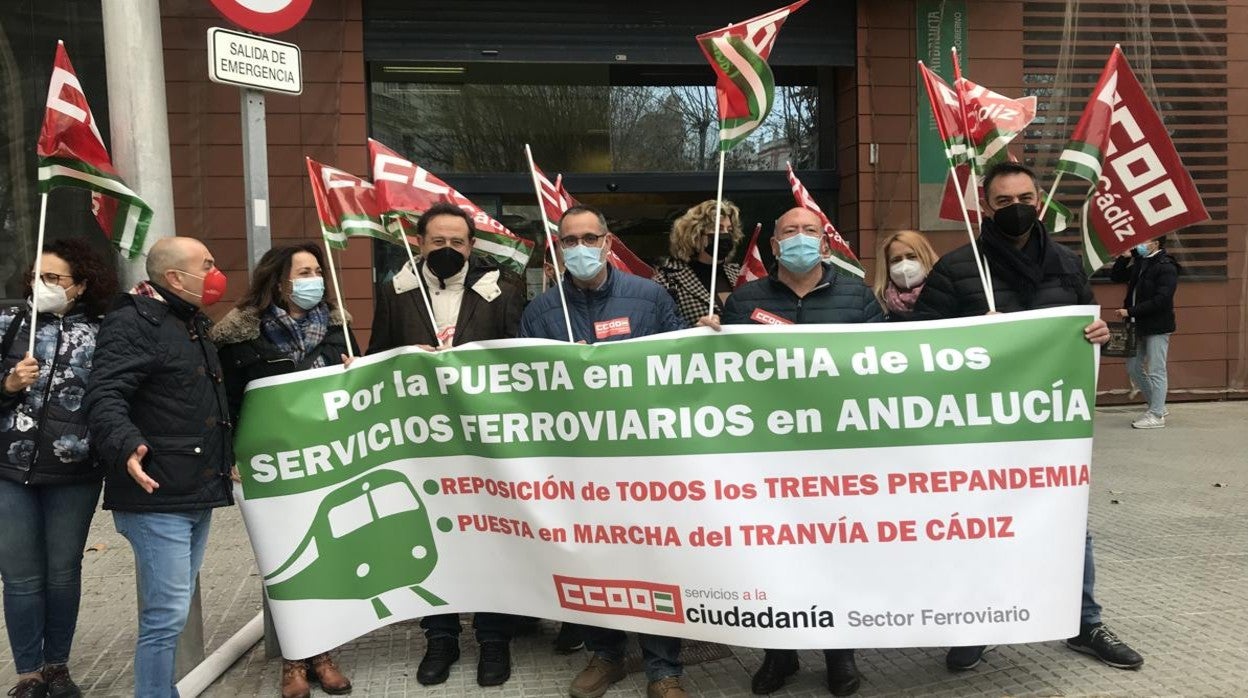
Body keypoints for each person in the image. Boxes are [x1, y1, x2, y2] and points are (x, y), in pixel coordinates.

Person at [911, 161, 1144, 672]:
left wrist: (1098, 333)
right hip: (975, 428)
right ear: (985, 209)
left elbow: (1084, 320)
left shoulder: (1065, 263)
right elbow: (916, 343)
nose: (1016, 209)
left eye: (1024, 199)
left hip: (1047, 426)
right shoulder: (957, 268)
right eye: (1003, 202)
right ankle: (978, 624)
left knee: (1069, 522)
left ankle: (1083, 623)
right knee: (977, 526)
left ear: (1039, 201)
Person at [520, 205, 688, 698]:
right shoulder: (542, 312)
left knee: (652, 559)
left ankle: (664, 668)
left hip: (644, 459)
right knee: (592, 560)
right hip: (576, 465)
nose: (580, 249)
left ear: (608, 243)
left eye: (588, 238)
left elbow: (680, 368)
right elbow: (522, 387)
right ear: (557, 249)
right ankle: (606, 654)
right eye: (569, 241)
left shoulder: (650, 297)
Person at [719, 207, 881, 697]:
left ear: (825, 244)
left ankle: (840, 656)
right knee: (773, 555)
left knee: (837, 555)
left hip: (837, 455)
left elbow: (887, 366)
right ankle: (779, 654)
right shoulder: (744, 300)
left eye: (810, 231)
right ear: (773, 245)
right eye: (790, 232)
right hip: (767, 456)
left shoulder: (858, 297)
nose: (800, 238)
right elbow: (720, 374)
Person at [367, 202, 525, 688]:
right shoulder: (395, 291)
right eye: (439, 241)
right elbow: (379, 357)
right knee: (434, 534)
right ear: (419, 243)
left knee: (493, 534)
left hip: (485, 442)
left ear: (472, 246)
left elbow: (520, 358)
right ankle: (441, 636)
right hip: (422, 442)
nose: (449, 250)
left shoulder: (505, 289)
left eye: (458, 242)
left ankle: (494, 636)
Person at [83, 236, 235, 698]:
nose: (215, 272)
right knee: (165, 616)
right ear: (174, 277)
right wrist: (125, 444)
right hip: (156, 493)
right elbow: (104, 394)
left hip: (193, 487)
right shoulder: (135, 321)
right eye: (206, 264)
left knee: (173, 609)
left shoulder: (190, 321)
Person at [210, 243, 355, 698]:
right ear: (278, 281)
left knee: (328, 555)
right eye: (304, 272)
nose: (315, 279)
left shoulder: (337, 329)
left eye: (318, 271)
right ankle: (294, 661)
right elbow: (225, 402)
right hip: (268, 464)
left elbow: (354, 393)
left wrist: (356, 370)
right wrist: (229, 455)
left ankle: (323, 654)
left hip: (327, 458)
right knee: (282, 561)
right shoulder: (238, 335)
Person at [0, 240, 117, 698]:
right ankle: (28, 672)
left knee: (63, 573)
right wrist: (8, 384)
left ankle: (57, 667)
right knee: (21, 576)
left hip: (74, 472)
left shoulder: (104, 332)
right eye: (36, 276)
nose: (41, 285)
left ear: (81, 286)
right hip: (9, 470)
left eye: (54, 279)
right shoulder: (9, 324)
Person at [1110, 237, 1179, 429]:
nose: (1139, 244)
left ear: (1156, 243)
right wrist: (1125, 257)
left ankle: (1156, 415)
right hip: (1136, 325)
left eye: (1144, 241)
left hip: (1157, 326)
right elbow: (1116, 277)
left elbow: (1162, 300)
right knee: (1133, 366)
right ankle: (1157, 405)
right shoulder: (1141, 263)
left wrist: (1130, 312)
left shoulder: (1166, 266)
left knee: (1157, 369)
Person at [653, 199, 742, 326]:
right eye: (718, 229)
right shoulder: (668, 281)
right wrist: (696, 328)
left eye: (729, 230)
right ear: (695, 235)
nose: (726, 235)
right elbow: (661, 328)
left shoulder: (740, 274)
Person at [871, 230, 939, 321]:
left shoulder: (943, 297)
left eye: (911, 257)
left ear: (926, 258)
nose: (905, 266)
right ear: (887, 267)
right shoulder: (876, 304)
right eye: (896, 260)